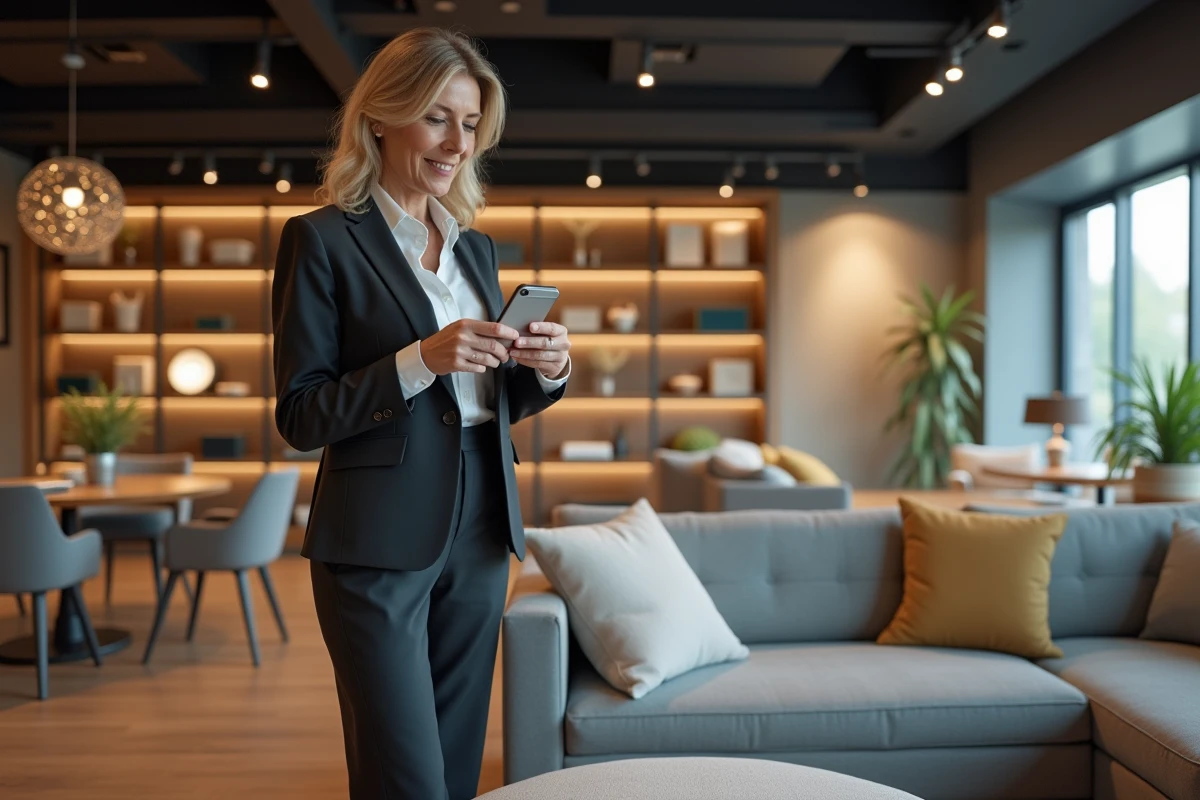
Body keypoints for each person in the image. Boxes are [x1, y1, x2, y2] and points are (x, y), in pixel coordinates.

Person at [271, 27, 571, 800]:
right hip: (374, 533)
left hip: (480, 521)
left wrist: (547, 369)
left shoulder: (475, 249)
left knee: (458, 757)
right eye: (438, 117)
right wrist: (419, 360)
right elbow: (302, 416)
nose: (457, 143)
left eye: (470, 125)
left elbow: (481, 400)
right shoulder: (322, 240)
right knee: (402, 771)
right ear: (381, 116)